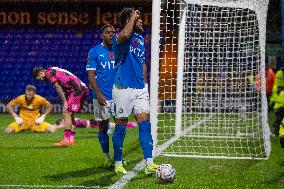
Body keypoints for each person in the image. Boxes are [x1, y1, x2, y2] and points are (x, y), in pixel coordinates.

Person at [111, 8, 158, 174]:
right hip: (123, 87)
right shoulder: (119, 37)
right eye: (137, 19)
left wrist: (145, 85)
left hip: (140, 89)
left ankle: (150, 163)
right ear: (128, 21)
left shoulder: (139, 37)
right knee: (120, 127)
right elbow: (124, 35)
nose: (141, 21)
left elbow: (142, 64)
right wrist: (132, 17)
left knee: (145, 124)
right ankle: (118, 163)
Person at [32, 66, 89, 147]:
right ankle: (71, 140)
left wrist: (65, 101)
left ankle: (66, 140)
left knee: (66, 111)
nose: (40, 80)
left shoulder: (49, 73)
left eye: (38, 78)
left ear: (41, 73)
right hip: (81, 88)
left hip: (77, 89)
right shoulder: (53, 69)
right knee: (70, 114)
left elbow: (57, 87)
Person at [86, 24, 117, 167]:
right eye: (108, 32)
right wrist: (98, 93)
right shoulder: (94, 52)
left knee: (121, 126)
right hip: (102, 95)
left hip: (119, 94)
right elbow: (91, 75)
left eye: (113, 32)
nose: (111, 35)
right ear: (102, 35)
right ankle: (106, 157)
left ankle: (118, 157)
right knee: (103, 127)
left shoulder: (119, 49)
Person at [270, 66, 284, 137]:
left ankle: (276, 129)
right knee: (279, 119)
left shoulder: (278, 73)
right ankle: (276, 131)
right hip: (279, 104)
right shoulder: (279, 74)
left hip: (278, 104)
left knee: (279, 119)